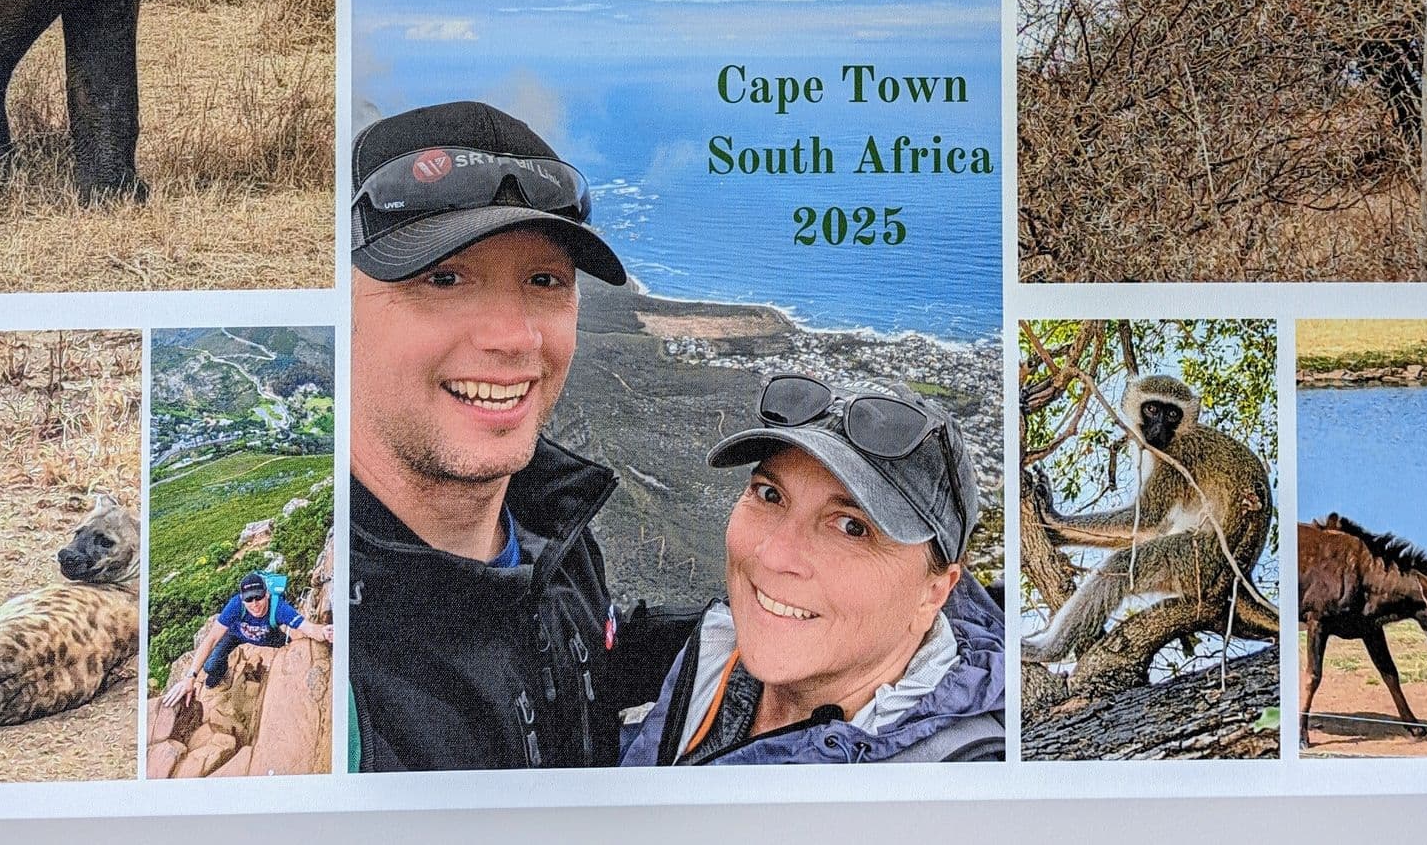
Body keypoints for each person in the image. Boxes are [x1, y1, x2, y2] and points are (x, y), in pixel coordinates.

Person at [347, 100, 691, 771]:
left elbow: (578, 661)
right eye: (444, 279)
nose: (514, 338)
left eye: (544, 280)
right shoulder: (337, 658)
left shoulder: (546, 524)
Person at [619, 373, 1006, 765]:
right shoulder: (715, 647)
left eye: (852, 527)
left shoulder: (947, 788)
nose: (774, 556)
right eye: (771, 495)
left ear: (933, 594)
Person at [162, 571, 332, 708]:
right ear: (242, 600)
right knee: (210, 666)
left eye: (258, 597)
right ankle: (221, 674)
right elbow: (212, 638)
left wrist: (325, 631)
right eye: (249, 599)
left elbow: (307, 627)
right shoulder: (235, 606)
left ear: (266, 594)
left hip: (269, 636)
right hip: (235, 635)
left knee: (292, 645)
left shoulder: (278, 607)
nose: (255, 603)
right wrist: (190, 677)